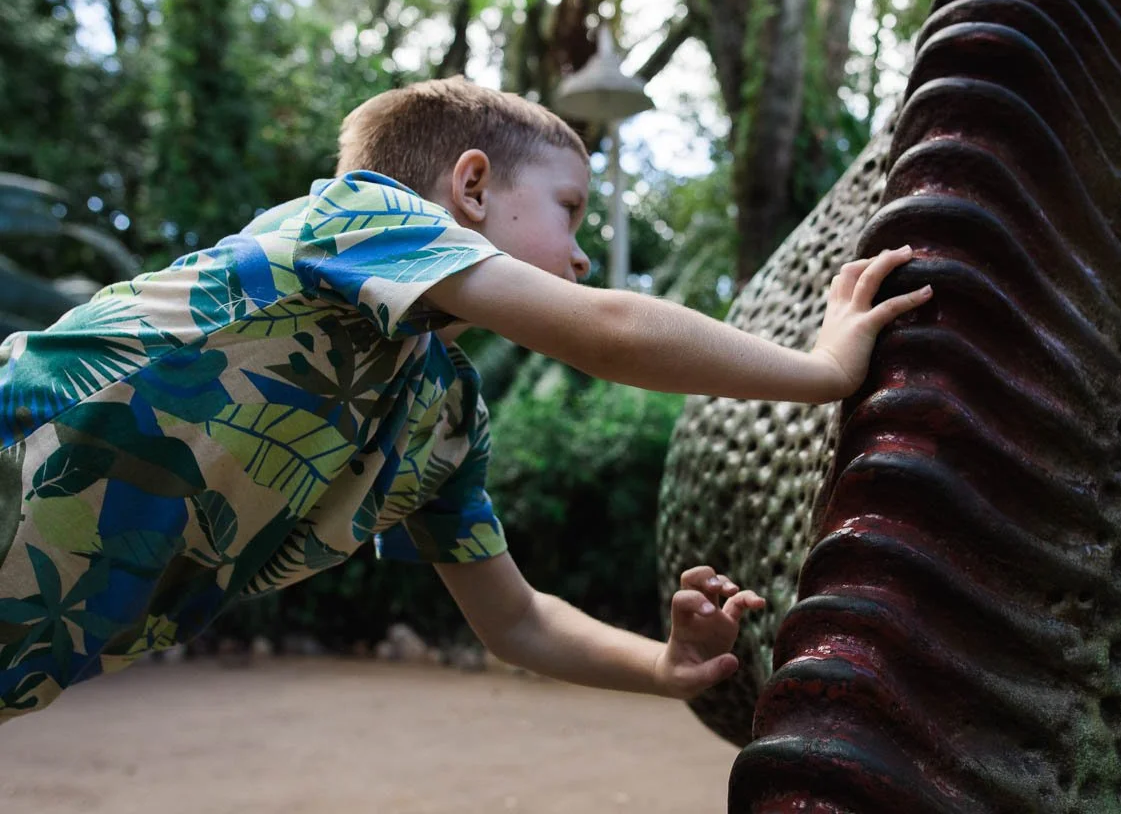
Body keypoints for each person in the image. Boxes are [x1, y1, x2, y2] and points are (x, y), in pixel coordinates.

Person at [0, 77, 932, 722]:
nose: (577, 251)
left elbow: (517, 620)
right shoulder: (360, 215)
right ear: (473, 186)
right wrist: (823, 368)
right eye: (570, 210)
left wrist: (665, 666)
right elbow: (601, 328)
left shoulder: (439, 418)